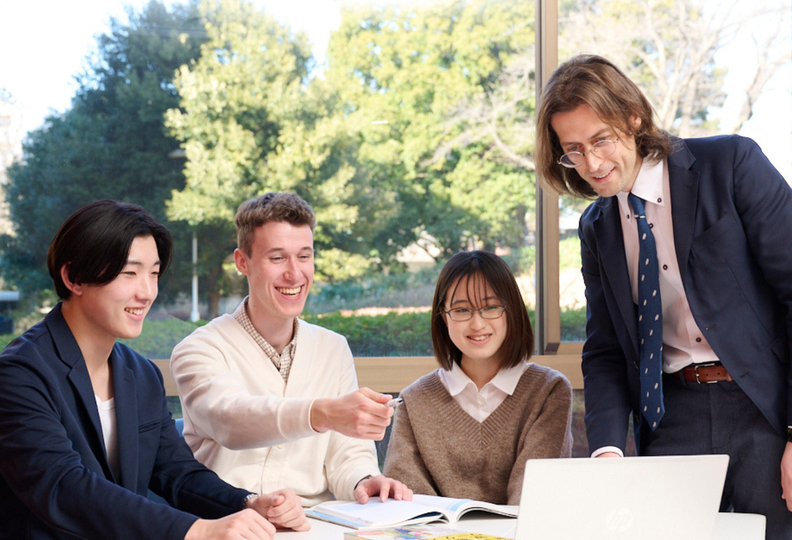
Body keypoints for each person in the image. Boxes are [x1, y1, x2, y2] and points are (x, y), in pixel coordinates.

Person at [535, 54, 792, 538]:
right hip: (673, 417)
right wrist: (607, 450)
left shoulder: (731, 164)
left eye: (601, 140)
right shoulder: (596, 227)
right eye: (573, 150)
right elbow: (607, 348)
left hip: (766, 408)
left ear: (634, 118)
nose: (592, 164)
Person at [0, 200, 309, 540]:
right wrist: (196, 530)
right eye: (129, 273)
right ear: (73, 277)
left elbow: (178, 474)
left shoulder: (141, 374)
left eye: (154, 273)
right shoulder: (19, 374)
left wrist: (247, 504)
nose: (147, 292)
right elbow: (64, 487)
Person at [170, 192, 412, 507]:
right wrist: (322, 414)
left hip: (313, 524)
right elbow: (230, 420)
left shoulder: (332, 348)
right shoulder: (199, 349)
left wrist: (365, 480)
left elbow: (348, 456)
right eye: (277, 258)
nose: (295, 274)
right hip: (228, 520)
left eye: (304, 256)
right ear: (243, 262)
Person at [383, 251, 573, 504]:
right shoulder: (414, 400)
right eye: (461, 310)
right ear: (444, 317)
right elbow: (407, 501)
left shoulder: (549, 391)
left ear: (511, 310)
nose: (477, 324)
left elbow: (534, 499)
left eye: (491, 307)